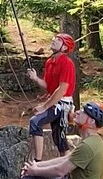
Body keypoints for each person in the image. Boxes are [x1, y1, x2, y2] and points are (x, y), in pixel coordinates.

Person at [25, 33, 77, 161]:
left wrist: (45, 106)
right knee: (59, 138)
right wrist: (36, 78)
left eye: (58, 40)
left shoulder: (67, 63)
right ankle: (66, 169)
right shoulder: (50, 62)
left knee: (36, 122)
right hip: (56, 102)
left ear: (65, 48)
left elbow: (62, 89)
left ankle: (37, 161)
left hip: (62, 104)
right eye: (55, 39)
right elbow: (49, 86)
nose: (54, 41)